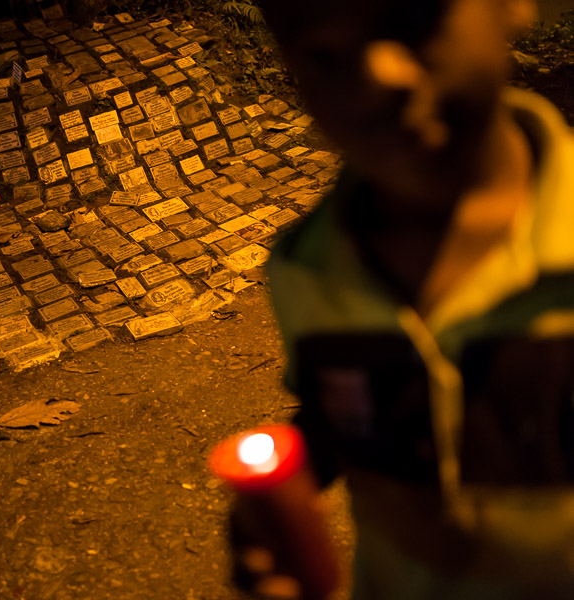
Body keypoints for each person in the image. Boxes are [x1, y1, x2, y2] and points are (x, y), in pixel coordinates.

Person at [231, 0, 574, 597]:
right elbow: (348, 403)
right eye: (324, 53)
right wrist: (284, 494)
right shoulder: (308, 270)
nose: (378, 74)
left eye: (415, 19)